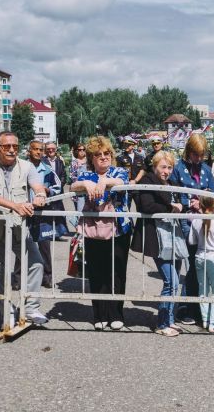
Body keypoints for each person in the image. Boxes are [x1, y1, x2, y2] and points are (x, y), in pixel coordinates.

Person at [0, 131, 49, 326]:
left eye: (15, 147)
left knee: (36, 263)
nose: (11, 150)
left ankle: (31, 308)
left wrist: (40, 195)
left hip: (18, 228)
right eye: (6, 146)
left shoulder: (25, 166)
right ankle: (7, 313)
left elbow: (37, 186)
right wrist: (15, 206)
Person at [71, 136, 132, 331]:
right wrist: (86, 185)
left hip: (119, 230)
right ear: (91, 158)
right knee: (96, 273)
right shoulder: (86, 174)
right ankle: (99, 314)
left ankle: (116, 313)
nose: (103, 157)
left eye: (106, 153)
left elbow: (121, 181)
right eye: (98, 155)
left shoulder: (119, 171)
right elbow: (73, 186)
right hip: (93, 230)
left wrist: (104, 181)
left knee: (117, 272)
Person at [131, 150, 185, 337]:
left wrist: (181, 206)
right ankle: (161, 324)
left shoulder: (171, 184)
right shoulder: (148, 180)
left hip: (173, 236)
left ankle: (169, 319)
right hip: (157, 236)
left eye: (170, 167)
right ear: (155, 166)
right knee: (171, 281)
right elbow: (146, 206)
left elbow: (180, 204)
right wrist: (171, 208)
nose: (166, 171)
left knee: (174, 281)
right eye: (163, 167)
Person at [170, 133, 214, 324]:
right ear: (188, 151)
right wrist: (191, 200)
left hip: (205, 223)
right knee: (192, 261)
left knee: (202, 263)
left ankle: (198, 305)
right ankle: (189, 306)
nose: (199, 158)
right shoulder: (178, 169)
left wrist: (207, 199)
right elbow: (172, 193)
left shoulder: (206, 169)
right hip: (186, 222)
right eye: (195, 154)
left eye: (201, 154)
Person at [17, 141, 62, 289]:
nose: (38, 152)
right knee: (21, 244)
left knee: (44, 246)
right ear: (29, 151)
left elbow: (58, 186)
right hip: (23, 212)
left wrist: (47, 191)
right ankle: (18, 278)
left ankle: (47, 277)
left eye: (40, 150)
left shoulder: (47, 169)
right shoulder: (20, 168)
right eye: (35, 149)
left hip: (42, 213)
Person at [188, 196, 214, 332]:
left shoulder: (196, 220)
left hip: (199, 255)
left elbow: (191, 241)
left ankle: (205, 320)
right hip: (213, 256)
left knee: (203, 289)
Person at [43, 142, 69, 238]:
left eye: (53, 149)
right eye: (48, 149)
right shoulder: (42, 161)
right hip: (46, 191)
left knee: (59, 212)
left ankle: (59, 233)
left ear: (56, 150)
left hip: (58, 192)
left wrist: (59, 186)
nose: (51, 150)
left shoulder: (60, 162)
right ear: (46, 150)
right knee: (47, 212)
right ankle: (48, 233)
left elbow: (63, 176)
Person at [69, 143, 88, 229]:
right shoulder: (74, 162)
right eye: (80, 150)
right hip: (78, 191)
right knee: (79, 211)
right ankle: (79, 228)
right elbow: (72, 176)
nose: (82, 151)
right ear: (76, 151)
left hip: (89, 190)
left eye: (83, 149)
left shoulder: (89, 161)